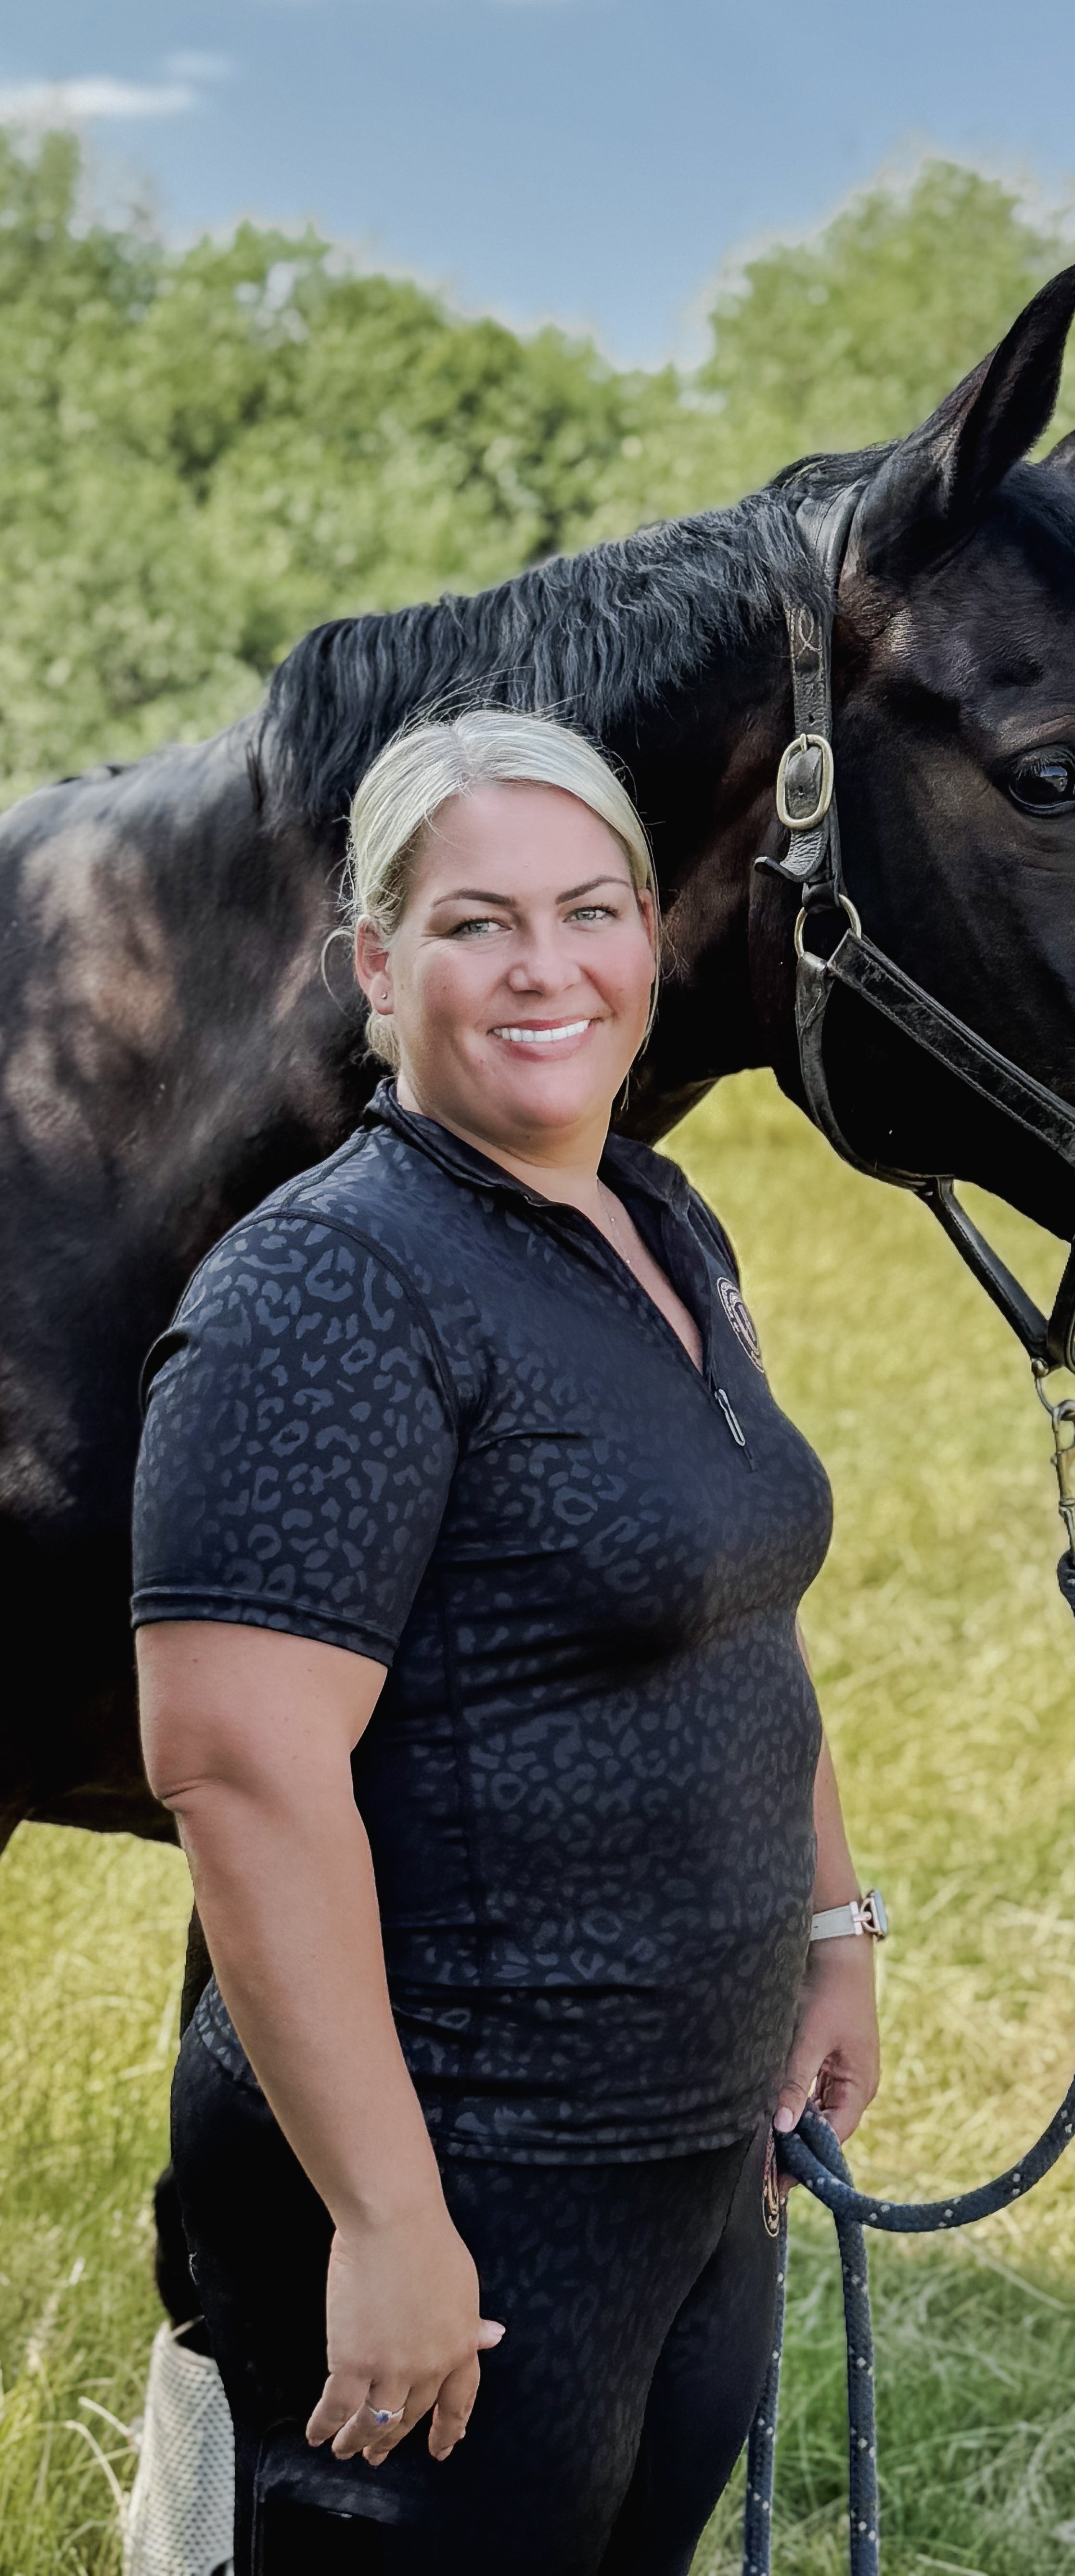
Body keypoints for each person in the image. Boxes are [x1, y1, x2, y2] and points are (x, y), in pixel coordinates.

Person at [133, 711, 881, 2573]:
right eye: (476, 924)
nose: (547, 969)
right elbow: (239, 1770)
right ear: (376, 969)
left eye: (591, 909)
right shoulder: (327, 1287)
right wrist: (386, 2217)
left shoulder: (656, 1216)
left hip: (688, 2155)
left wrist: (828, 1924)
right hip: (472, 2171)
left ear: (649, 936)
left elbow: (738, 1607)